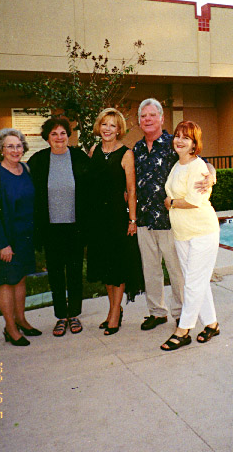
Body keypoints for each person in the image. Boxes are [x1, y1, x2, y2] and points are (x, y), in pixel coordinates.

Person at [133, 98, 215, 331]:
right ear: (140, 121)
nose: (147, 119)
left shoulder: (175, 142)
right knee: (151, 270)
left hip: (170, 221)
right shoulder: (137, 148)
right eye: (143, 116)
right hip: (144, 219)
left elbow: (204, 164)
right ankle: (157, 312)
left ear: (161, 118)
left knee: (177, 272)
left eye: (152, 115)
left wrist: (212, 175)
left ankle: (181, 313)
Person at [28, 116, 90, 337]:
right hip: (50, 227)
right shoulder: (38, 161)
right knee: (55, 273)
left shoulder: (80, 158)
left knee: (74, 271)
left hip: (75, 226)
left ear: (68, 135)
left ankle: (73, 314)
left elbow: (93, 185)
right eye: (54, 133)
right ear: (47, 137)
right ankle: (60, 317)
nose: (59, 137)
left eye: (62, 132)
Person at [161, 120, 220, 351]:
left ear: (195, 143)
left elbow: (195, 201)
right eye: (177, 135)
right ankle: (212, 323)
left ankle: (183, 330)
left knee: (193, 284)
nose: (179, 140)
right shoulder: (177, 165)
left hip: (202, 232)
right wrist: (172, 203)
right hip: (182, 233)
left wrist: (171, 202)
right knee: (198, 282)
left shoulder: (198, 166)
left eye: (186, 137)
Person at [87, 108, 144, 335]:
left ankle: (113, 316)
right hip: (98, 218)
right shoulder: (94, 151)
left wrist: (132, 219)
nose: (108, 129)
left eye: (113, 125)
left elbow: (131, 190)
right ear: (99, 127)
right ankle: (114, 309)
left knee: (117, 266)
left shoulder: (126, 154)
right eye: (104, 124)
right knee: (105, 265)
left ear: (119, 129)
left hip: (118, 218)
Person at [0, 128, 41, 347]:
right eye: (10, 146)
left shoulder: (25, 170)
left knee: (20, 278)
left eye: (18, 146)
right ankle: (10, 328)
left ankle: (22, 320)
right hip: (4, 240)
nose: (15, 150)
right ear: (1, 149)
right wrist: (2, 244)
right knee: (6, 282)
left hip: (24, 238)